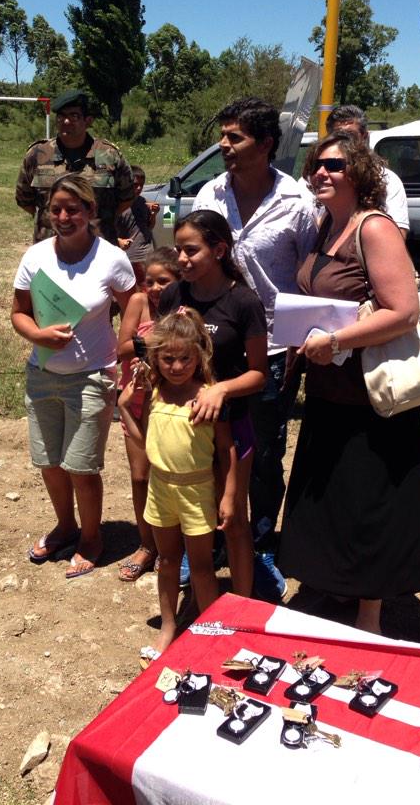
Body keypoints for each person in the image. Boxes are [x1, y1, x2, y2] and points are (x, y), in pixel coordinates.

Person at [277, 132, 420, 634]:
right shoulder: (328, 225)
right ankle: (334, 588)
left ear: (360, 173)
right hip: (331, 393)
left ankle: (369, 615)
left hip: (371, 396)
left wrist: (337, 339)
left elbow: (404, 311)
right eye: (316, 165)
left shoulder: (374, 228)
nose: (321, 173)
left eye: (334, 165)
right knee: (334, 497)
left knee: (371, 502)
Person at [192, 97, 318, 598]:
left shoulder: (298, 204)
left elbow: (311, 275)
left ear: (266, 145)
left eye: (235, 137)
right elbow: (194, 260)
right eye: (223, 135)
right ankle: (212, 542)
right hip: (211, 347)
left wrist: (298, 337)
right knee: (206, 450)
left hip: (269, 351)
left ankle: (261, 543)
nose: (224, 146)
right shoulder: (210, 194)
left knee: (262, 452)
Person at [11, 174, 136, 577]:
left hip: (92, 376)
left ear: (90, 212)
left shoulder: (111, 258)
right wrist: (37, 333)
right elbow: (18, 311)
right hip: (42, 374)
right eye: (56, 209)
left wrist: (129, 353)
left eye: (73, 209)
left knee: (81, 466)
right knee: (49, 462)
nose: (64, 217)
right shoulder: (35, 256)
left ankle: (92, 537)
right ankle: (66, 527)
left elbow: (135, 307)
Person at [159, 209, 267, 597]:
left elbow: (259, 373)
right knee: (192, 516)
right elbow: (163, 354)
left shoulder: (243, 302)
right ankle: (203, 596)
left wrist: (220, 389)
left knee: (233, 518)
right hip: (183, 427)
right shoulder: (173, 295)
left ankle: (243, 603)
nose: (182, 259)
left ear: (219, 250)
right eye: (178, 251)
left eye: (191, 250)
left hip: (231, 426)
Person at [118, 309, 237, 657]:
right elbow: (146, 443)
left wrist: (228, 495)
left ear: (198, 355)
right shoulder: (155, 393)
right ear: (155, 358)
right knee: (168, 562)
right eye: (167, 358)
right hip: (160, 490)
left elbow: (226, 450)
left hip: (197, 491)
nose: (176, 366)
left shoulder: (209, 395)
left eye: (185, 357)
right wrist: (125, 408)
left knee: (201, 567)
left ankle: (209, 628)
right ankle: (170, 626)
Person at [115, 247, 181, 581]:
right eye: (149, 281)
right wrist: (153, 341)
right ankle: (146, 543)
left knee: (168, 475)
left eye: (163, 282)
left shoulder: (185, 308)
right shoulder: (139, 304)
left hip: (168, 402)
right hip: (136, 397)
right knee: (140, 476)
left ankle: (172, 546)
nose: (154, 289)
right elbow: (122, 346)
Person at [15, 89, 135, 245]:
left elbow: (127, 197)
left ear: (88, 121)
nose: (66, 122)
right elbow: (24, 199)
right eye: (61, 116)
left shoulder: (108, 155)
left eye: (74, 116)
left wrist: (98, 220)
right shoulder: (38, 154)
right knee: (41, 271)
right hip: (50, 248)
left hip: (97, 247)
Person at [326, 105, 409, 236]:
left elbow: (396, 236)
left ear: (364, 136)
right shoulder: (315, 178)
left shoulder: (387, 179)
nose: (345, 142)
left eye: (350, 135)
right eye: (338, 136)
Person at [116, 165, 159, 285]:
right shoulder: (119, 206)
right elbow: (105, 232)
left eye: (142, 185)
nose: (139, 188)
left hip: (148, 255)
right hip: (131, 258)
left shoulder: (142, 201)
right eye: (135, 185)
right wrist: (119, 241)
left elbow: (149, 227)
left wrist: (154, 214)